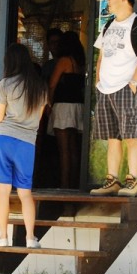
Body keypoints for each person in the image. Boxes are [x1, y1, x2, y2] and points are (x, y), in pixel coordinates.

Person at [90, 0, 137, 197]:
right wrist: (98, 82)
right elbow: (101, 56)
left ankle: (132, 181)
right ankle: (112, 180)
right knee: (112, 138)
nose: (108, 1)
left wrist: (134, 83)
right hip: (105, 88)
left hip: (126, 86)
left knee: (131, 136)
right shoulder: (108, 25)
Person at [0, 43, 48, 248]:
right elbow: (38, 119)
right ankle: (30, 238)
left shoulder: (5, 84)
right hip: (27, 143)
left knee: (3, 191)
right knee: (25, 193)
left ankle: (3, 237)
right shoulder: (40, 87)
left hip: (3, 139)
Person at [48, 31, 86, 189]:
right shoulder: (80, 63)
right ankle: (75, 184)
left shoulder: (64, 61)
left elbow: (52, 84)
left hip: (63, 107)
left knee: (64, 150)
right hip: (78, 106)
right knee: (74, 149)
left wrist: (49, 104)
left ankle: (64, 186)